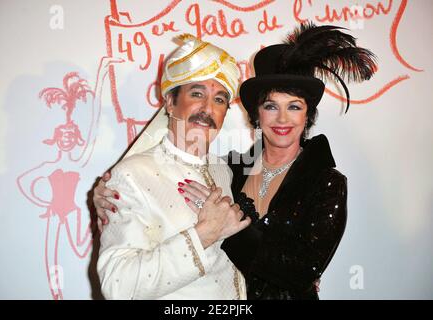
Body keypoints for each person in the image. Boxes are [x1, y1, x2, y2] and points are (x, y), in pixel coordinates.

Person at [95, 23, 377, 299]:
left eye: (294, 107)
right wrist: (105, 192)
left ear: (307, 116)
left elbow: (303, 270)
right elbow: (119, 283)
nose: (282, 119)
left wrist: (227, 232)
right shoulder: (230, 169)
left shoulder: (326, 182)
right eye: (270, 106)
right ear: (257, 114)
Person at [96, 34, 251, 300]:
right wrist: (204, 234)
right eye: (197, 93)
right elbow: (118, 286)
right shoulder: (130, 176)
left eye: (220, 99)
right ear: (169, 102)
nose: (207, 109)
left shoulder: (222, 170)